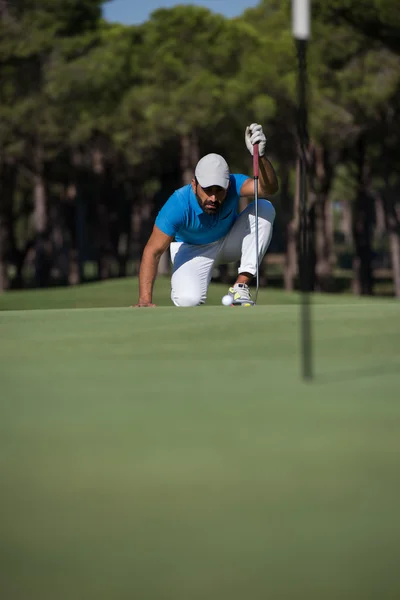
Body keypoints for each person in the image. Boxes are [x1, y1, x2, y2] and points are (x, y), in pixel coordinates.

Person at [135, 123, 278, 307]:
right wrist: (145, 300)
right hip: (192, 251)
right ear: (194, 185)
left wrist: (261, 157)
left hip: (229, 241)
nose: (213, 197)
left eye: (219, 190)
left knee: (264, 207)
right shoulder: (177, 204)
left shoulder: (234, 184)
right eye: (207, 190)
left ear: (227, 186)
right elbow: (152, 251)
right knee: (188, 301)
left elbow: (268, 188)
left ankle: (240, 286)